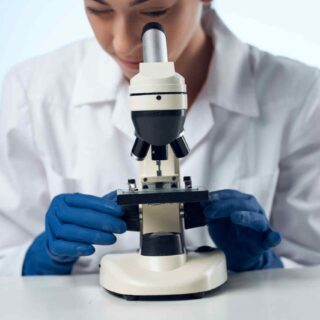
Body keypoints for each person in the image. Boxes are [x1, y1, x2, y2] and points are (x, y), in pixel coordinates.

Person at [0, 0, 319, 276]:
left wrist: (263, 264)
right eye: (99, 10)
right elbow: (5, 258)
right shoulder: (32, 92)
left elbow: (311, 270)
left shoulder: (300, 97)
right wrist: (42, 257)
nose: (123, 43)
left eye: (154, 10)